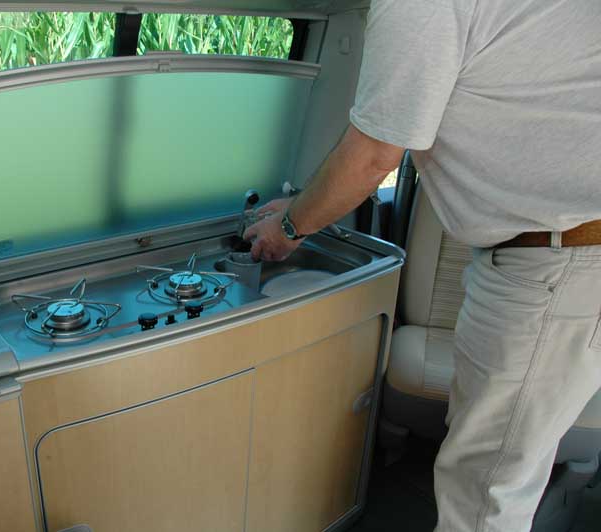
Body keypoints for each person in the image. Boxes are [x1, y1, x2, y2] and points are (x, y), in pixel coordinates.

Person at [243, 1, 601, 531]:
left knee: (483, 496)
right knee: (495, 469)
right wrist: (297, 211)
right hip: (557, 257)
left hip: (557, 265)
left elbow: (373, 154)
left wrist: (291, 228)